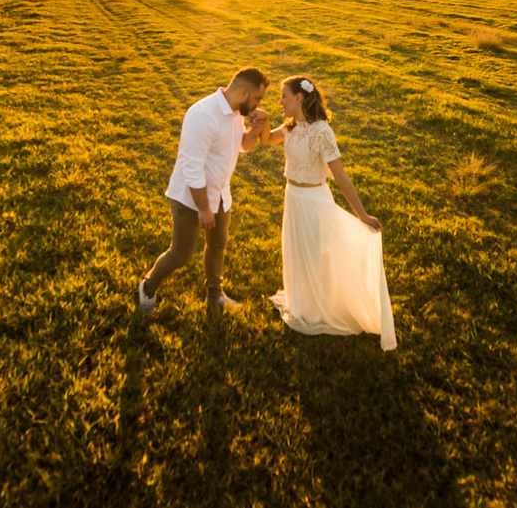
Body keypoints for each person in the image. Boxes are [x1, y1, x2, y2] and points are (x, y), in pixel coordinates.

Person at [256, 76, 396, 351]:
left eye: (284, 96)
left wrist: (363, 215)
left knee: (315, 254)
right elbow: (266, 140)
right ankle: (302, 302)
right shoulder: (291, 126)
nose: (280, 101)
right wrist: (262, 119)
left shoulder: (322, 131)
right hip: (293, 197)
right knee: (297, 250)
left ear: (299, 98)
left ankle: (320, 307)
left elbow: (341, 176)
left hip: (313, 201)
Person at [138, 67, 270, 311]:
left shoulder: (236, 111)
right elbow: (193, 168)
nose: (258, 105)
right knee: (181, 254)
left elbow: (240, 145)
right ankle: (147, 287)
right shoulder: (203, 114)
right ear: (243, 92)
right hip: (191, 199)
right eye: (257, 99)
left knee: (218, 244)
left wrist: (254, 132)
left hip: (221, 195)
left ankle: (214, 295)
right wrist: (204, 209)